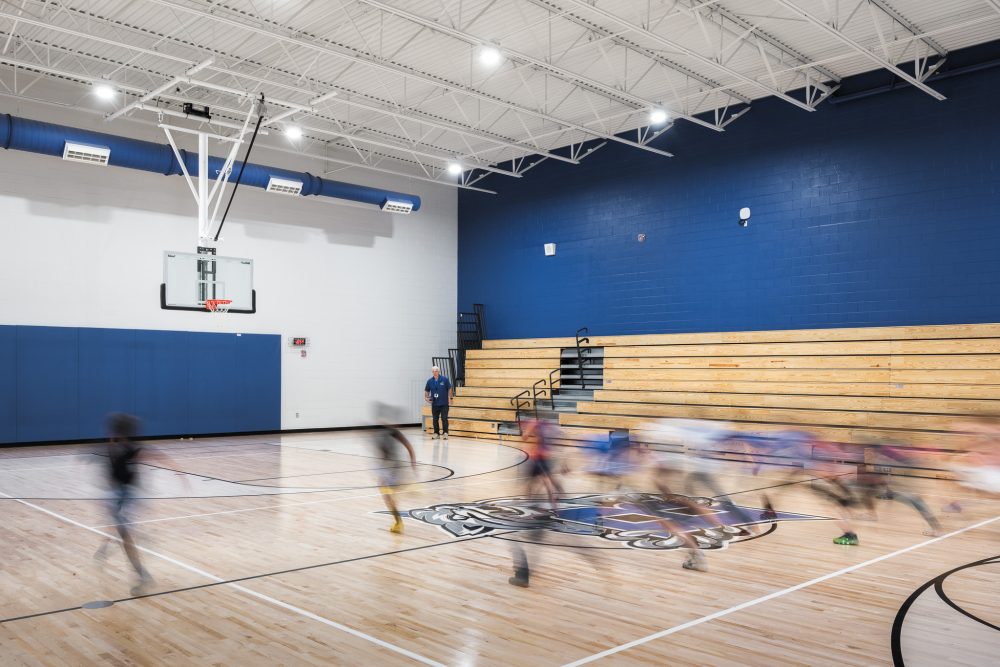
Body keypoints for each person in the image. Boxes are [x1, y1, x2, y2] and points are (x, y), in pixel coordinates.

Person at [371, 403, 418, 534]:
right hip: (391, 467)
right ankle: (398, 518)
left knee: (387, 493)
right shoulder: (383, 432)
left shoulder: (390, 431)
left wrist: (413, 463)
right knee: (386, 491)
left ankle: (398, 521)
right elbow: (408, 447)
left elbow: (408, 447)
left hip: (392, 468)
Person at [424, 365, 453, 439]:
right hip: (435, 404)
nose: (434, 372)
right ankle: (436, 433)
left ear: (438, 371)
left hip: (444, 403)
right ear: (432, 372)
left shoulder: (444, 379)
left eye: (436, 371)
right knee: (435, 419)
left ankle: (445, 433)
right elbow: (427, 390)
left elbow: (449, 388)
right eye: (433, 371)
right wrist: (426, 397)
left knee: (444, 418)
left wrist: (450, 398)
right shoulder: (430, 381)